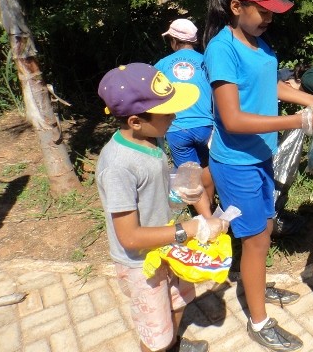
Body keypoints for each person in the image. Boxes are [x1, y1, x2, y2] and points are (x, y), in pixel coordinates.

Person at [203, 0, 313, 352]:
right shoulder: (222, 49)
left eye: (272, 12)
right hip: (236, 163)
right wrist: (302, 119)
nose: (268, 18)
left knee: (262, 231)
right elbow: (230, 118)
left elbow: (273, 84)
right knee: (258, 238)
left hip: (260, 158)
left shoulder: (259, 44)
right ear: (235, 6)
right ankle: (259, 322)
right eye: (262, 10)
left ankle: (256, 285)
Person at [96, 63, 228, 352]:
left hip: (166, 243)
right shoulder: (117, 165)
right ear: (134, 121)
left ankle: (174, 344)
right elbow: (129, 237)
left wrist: (185, 191)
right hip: (141, 263)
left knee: (178, 300)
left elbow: (154, 186)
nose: (174, 116)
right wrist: (189, 228)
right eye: (167, 112)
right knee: (155, 332)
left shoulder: (150, 140)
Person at [154, 18, 215, 208]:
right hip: (206, 125)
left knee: (189, 176)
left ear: (174, 40)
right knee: (206, 168)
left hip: (176, 127)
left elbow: (154, 97)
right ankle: (211, 207)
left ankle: (201, 218)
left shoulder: (161, 65)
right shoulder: (207, 61)